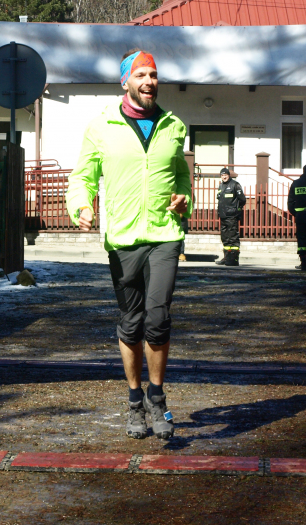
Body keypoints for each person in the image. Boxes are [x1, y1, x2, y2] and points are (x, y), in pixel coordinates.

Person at [66, 48, 192, 440]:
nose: (149, 81)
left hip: (165, 234)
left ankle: (158, 397)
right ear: (126, 82)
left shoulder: (174, 125)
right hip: (122, 237)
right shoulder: (101, 126)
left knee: (158, 318)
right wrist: (81, 206)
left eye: (153, 74)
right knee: (132, 322)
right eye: (141, 75)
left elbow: (181, 176)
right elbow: (83, 176)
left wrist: (184, 200)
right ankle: (135, 401)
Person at [215, 167, 246, 266]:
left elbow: (242, 199)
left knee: (233, 237)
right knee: (225, 237)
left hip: (232, 216)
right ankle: (227, 258)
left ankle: (234, 259)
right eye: (222, 175)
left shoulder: (235, 185)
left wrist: (237, 209)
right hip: (223, 215)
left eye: (225, 175)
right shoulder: (221, 186)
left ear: (229, 175)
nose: (224, 177)